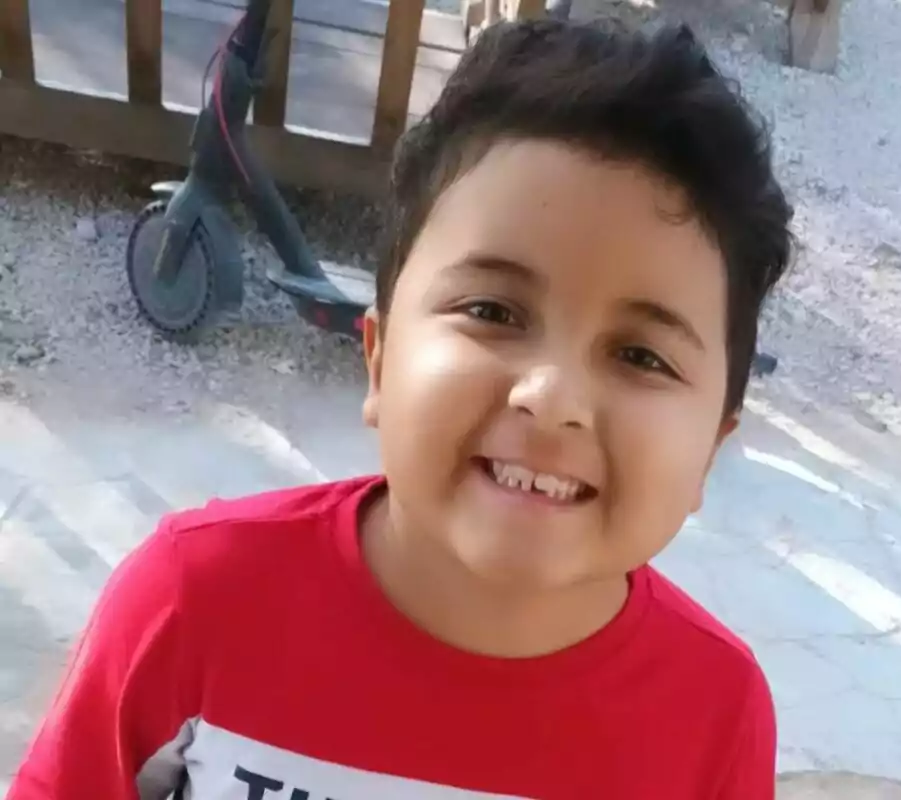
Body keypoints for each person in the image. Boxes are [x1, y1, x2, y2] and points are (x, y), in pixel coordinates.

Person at [8, 17, 793, 800]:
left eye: (642, 357)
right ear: (378, 357)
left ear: (712, 451)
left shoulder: (715, 715)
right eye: (493, 310)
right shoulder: (196, 602)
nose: (552, 399)